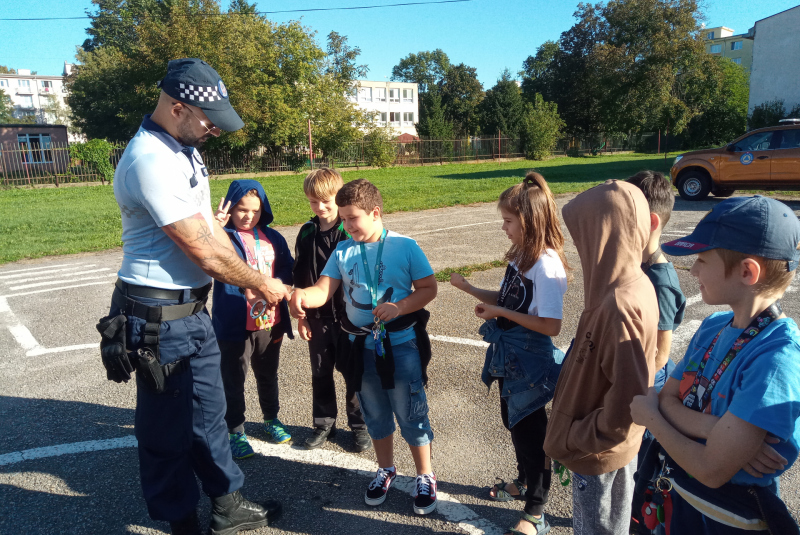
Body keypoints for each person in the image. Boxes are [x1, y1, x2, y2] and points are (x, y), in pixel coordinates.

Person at [96, 58, 285, 535]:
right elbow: (200, 249)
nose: (214, 131)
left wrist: (253, 278)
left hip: (191, 313)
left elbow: (210, 232)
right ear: (177, 107)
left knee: (209, 416)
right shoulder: (150, 160)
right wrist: (261, 284)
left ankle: (228, 505)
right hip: (157, 318)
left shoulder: (185, 150)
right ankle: (181, 522)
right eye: (209, 121)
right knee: (165, 431)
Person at [631, 195, 800, 535]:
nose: (692, 270)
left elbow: (711, 469)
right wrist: (714, 430)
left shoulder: (777, 358)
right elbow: (667, 397)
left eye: (702, 260)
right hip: (681, 500)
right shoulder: (713, 326)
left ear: (747, 271)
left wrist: (652, 419)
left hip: (729, 519)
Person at [289, 179, 439, 515]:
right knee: (375, 413)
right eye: (343, 218)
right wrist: (301, 296)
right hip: (360, 347)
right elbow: (323, 290)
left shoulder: (405, 246)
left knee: (411, 411)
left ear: (375, 212)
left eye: (352, 218)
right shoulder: (344, 250)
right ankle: (385, 468)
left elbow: (429, 288)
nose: (346, 225)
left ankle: (425, 475)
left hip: (400, 344)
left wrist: (400, 307)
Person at [450, 172, 568, 535]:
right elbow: (507, 301)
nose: (503, 227)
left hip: (530, 360)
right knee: (514, 424)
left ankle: (537, 512)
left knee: (533, 434)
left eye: (508, 221)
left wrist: (500, 313)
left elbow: (551, 326)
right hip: (510, 356)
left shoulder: (547, 266)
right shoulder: (521, 257)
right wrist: (472, 290)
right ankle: (523, 482)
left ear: (529, 222)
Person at [543, 180, 659, 535]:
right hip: (604, 453)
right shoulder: (625, 287)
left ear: (604, 234)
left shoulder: (620, 305)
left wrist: (577, 435)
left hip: (599, 458)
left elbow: (627, 405)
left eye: (585, 234)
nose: (581, 246)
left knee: (596, 529)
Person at [211, 179, 295, 459]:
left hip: (269, 321)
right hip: (235, 322)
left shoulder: (274, 238)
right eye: (242, 210)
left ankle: (271, 419)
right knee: (234, 377)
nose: (249, 216)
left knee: (268, 373)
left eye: (256, 211)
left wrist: (279, 287)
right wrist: (214, 226)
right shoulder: (222, 237)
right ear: (232, 209)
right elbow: (207, 257)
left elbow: (287, 270)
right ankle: (235, 430)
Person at [292, 168, 370, 452]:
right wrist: (302, 317)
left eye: (327, 200)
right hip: (317, 317)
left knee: (352, 372)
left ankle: (360, 425)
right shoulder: (307, 232)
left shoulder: (349, 231)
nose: (321, 207)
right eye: (314, 202)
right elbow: (300, 276)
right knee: (321, 372)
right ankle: (324, 423)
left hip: (349, 318)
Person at [625, 171, 686, 535]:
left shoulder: (660, 280)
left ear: (649, 222)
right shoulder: (638, 267)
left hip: (648, 384)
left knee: (644, 464)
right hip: (635, 377)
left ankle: (639, 520)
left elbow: (660, 353)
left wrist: (634, 390)